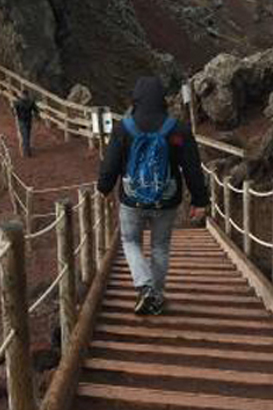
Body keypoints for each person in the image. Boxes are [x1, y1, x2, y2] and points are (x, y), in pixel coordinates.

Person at [97, 77, 209, 315]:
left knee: (130, 241)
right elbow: (192, 168)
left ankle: (144, 287)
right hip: (167, 199)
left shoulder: (123, 128)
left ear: (135, 99)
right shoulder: (177, 130)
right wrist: (200, 201)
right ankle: (155, 295)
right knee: (160, 246)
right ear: (162, 100)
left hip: (131, 199)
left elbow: (110, 164)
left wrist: (104, 188)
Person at [13, 90, 38, 157]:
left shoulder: (20, 102)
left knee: (27, 135)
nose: (24, 97)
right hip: (22, 121)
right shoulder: (22, 102)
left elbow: (36, 110)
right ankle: (26, 150)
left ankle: (26, 149)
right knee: (25, 135)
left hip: (26, 120)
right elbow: (14, 110)